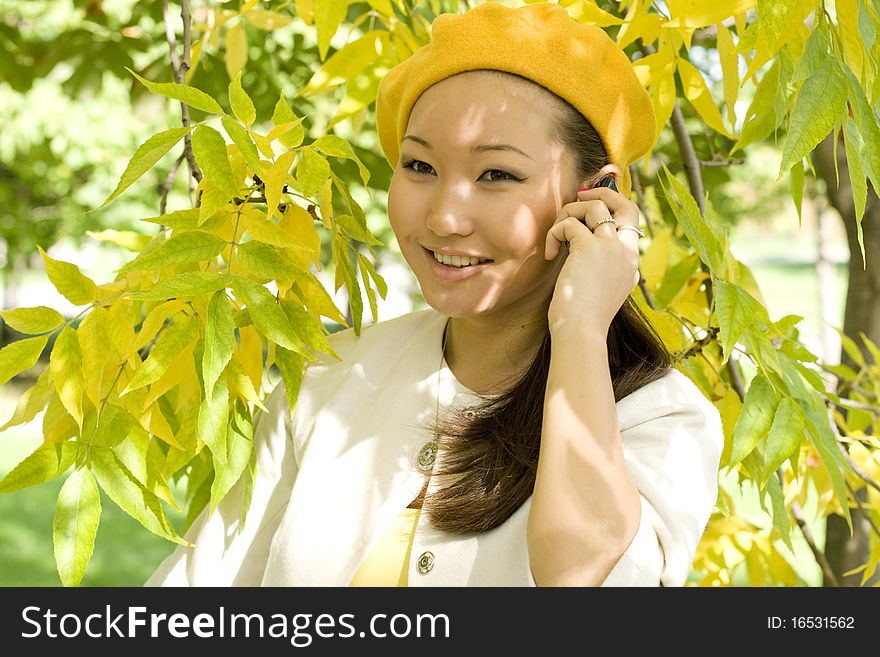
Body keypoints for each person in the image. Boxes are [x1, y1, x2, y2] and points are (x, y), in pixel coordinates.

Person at [146, 1, 723, 587]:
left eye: (496, 174)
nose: (445, 217)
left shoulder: (661, 421)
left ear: (595, 199)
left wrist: (579, 325)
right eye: (419, 165)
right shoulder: (331, 380)